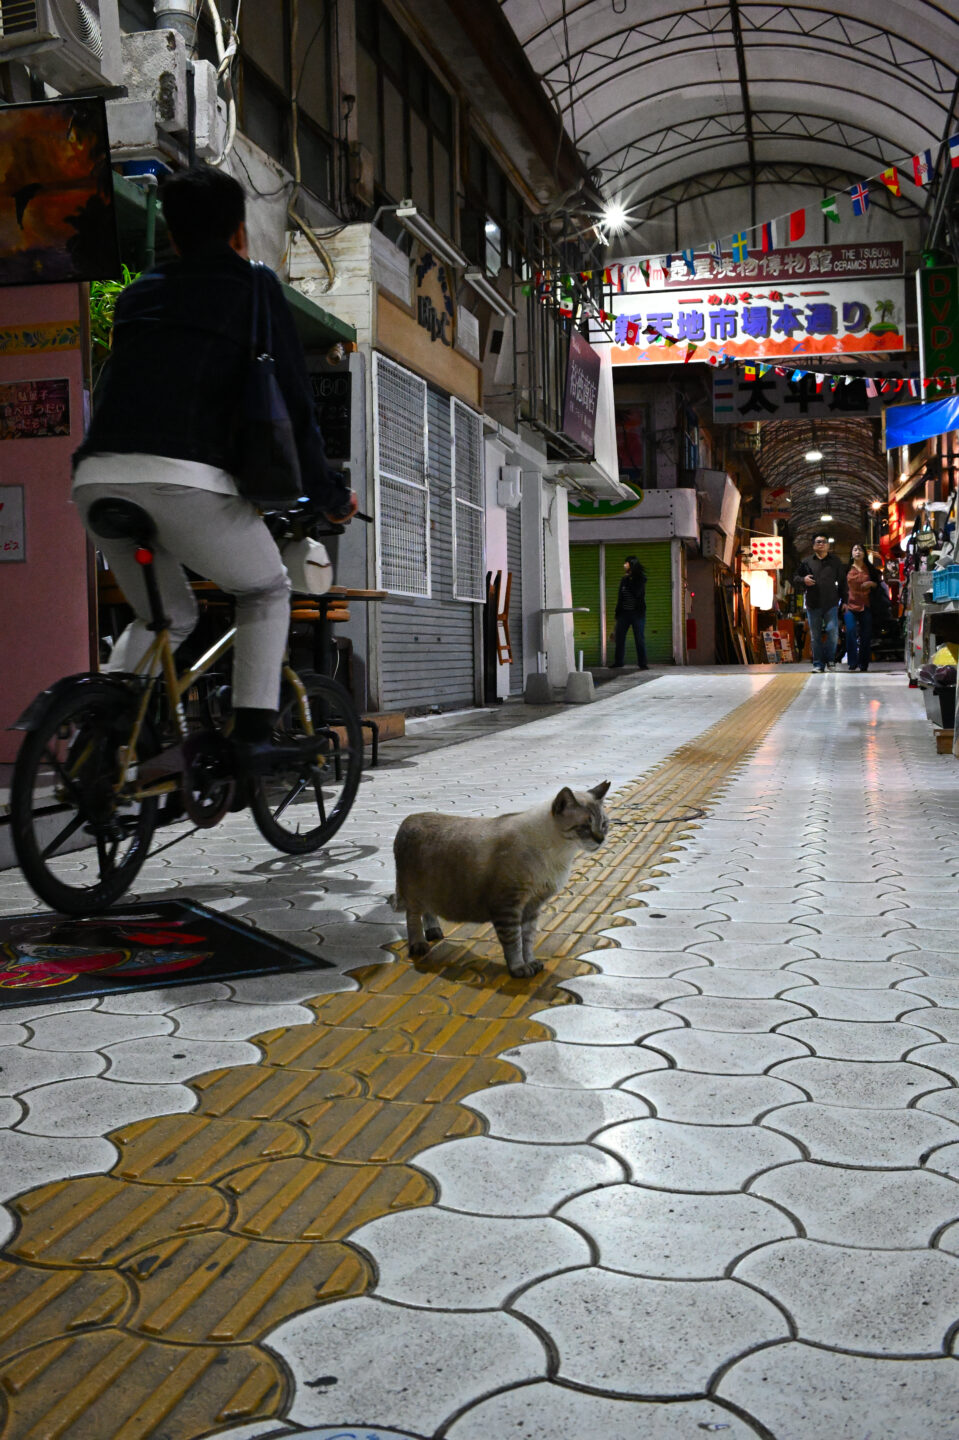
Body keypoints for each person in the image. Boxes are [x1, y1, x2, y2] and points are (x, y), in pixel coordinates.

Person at [72, 165, 356, 765]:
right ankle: (250, 736)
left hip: (96, 479)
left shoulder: (138, 294)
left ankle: (105, 735)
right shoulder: (254, 288)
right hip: (185, 481)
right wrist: (331, 494)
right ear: (239, 233)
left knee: (165, 615)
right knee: (265, 590)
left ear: (174, 236)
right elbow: (296, 407)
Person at [793, 534, 846, 673]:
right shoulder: (807, 562)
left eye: (824, 542)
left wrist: (845, 601)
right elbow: (795, 577)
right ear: (813, 545)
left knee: (832, 632)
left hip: (831, 603)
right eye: (818, 542)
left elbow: (842, 582)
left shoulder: (835, 561)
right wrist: (803, 580)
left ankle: (830, 660)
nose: (821, 544)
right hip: (813, 603)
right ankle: (818, 664)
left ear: (828, 545)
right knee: (815, 636)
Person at [844, 542, 880, 672]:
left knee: (866, 635)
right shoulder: (846, 569)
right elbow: (841, 587)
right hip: (850, 605)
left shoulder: (870, 569)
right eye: (855, 550)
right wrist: (843, 602)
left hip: (866, 605)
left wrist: (871, 584)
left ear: (864, 553)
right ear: (851, 554)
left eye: (860, 550)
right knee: (850, 631)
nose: (858, 552)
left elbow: (878, 584)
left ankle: (863, 663)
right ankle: (852, 662)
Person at [611, 555, 648, 668]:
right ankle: (619, 662)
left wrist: (629, 580)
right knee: (620, 638)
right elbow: (620, 597)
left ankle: (642, 663)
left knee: (639, 638)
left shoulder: (640, 579)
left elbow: (636, 593)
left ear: (632, 565)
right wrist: (617, 613)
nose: (624, 565)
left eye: (626, 563)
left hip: (637, 614)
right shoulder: (624, 579)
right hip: (624, 614)